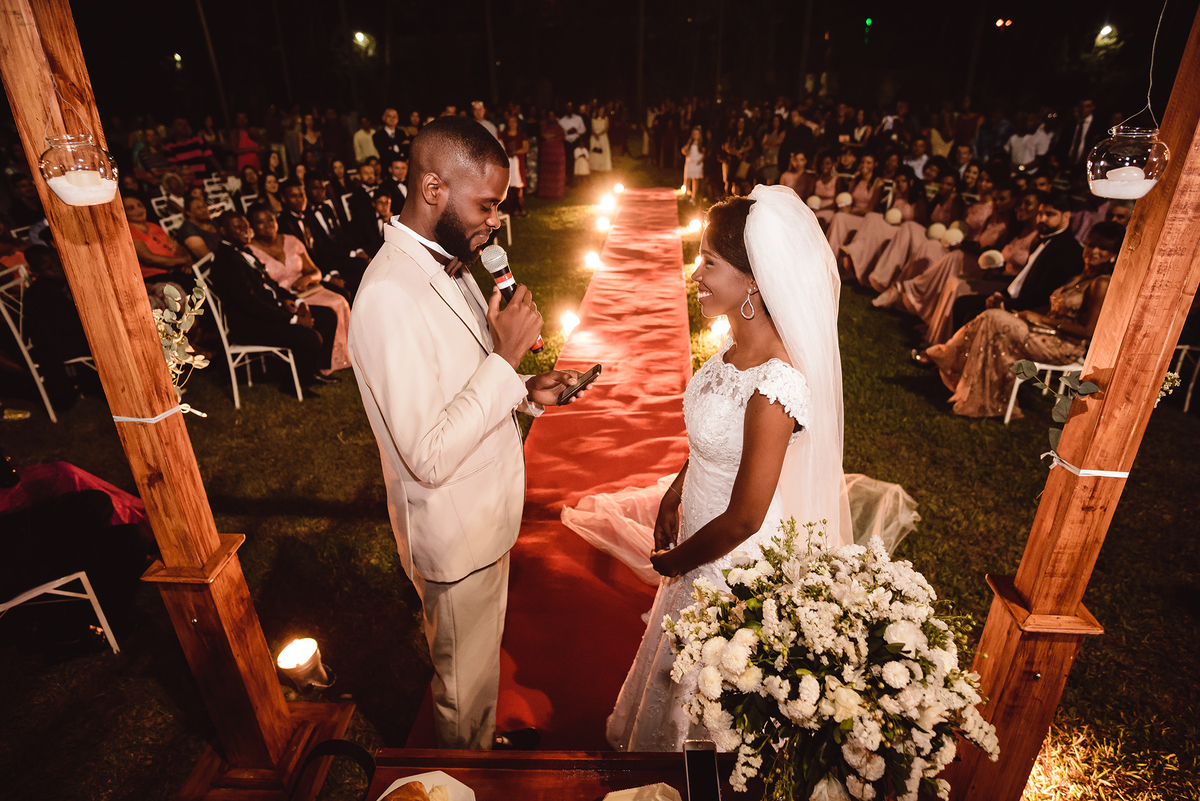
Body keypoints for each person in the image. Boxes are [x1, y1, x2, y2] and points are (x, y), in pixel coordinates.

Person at [561, 188, 915, 752]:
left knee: (713, 694)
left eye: (710, 262)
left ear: (753, 279)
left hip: (730, 559)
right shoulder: (729, 350)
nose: (695, 273)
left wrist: (677, 563)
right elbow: (711, 442)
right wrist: (675, 492)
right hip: (699, 525)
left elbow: (747, 516)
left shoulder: (776, 384)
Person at [348, 116, 590, 751]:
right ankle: (463, 774)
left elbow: (464, 388)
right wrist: (505, 360)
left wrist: (525, 388)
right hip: (453, 533)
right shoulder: (389, 294)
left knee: (480, 677)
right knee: (461, 689)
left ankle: (481, 748)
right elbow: (427, 452)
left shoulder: (449, 264)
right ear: (433, 190)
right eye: (486, 204)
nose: (495, 221)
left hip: (484, 512)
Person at [924, 222, 1122, 418]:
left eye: (1103, 248)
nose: (1094, 251)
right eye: (1091, 245)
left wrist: (1042, 321)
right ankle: (972, 385)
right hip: (1045, 333)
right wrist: (1028, 315)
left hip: (1064, 345)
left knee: (994, 319)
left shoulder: (1101, 283)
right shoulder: (1080, 277)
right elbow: (1055, 308)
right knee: (993, 319)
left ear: (1113, 254)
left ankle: (951, 359)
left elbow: (1089, 331)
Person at [208, 211, 337, 387]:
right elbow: (250, 304)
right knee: (310, 337)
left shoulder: (242, 250)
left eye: (246, 225)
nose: (246, 230)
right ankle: (296, 383)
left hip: (269, 308)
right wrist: (293, 319)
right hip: (249, 324)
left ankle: (314, 370)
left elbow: (269, 283)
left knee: (327, 316)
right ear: (223, 231)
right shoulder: (227, 261)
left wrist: (295, 302)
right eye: (238, 227)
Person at [247, 204, 350, 374]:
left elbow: (316, 271)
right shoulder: (250, 251)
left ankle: (333, 358)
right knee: (327, 312)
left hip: (306, 290)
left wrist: (306, 278)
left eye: (270, 219)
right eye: (260, 222)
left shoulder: (291, 240)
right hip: (284, 298)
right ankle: (316, 364)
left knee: (340, 301)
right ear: (251, 227)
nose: (268, 225)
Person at [500, 115, 529, 216]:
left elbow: (525, 148)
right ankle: (507, 208)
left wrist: (514, 151)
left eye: (514, 121)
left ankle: (519, 208)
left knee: (517, 185)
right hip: (506, 162)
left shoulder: (521, 135)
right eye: (510, 121)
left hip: (517, 162)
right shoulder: (503, 134)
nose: (512, 124)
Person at [538, 111, 566, 200]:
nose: (551, 117)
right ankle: (545, 194)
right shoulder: (544, 127)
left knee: (556, 173)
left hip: (557, 154)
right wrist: (554, 136)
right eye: (549, 115)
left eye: (552, 115)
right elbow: (543, 136)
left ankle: (556, 194)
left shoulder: (559, 127)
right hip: (547, 155)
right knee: (547, 173)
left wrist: (549, 137)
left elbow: (561, 137)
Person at [682, 126, 705, 204]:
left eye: (697, 134)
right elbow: (685, 150)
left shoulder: (701, 144)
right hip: (690, 162)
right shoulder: (690, 142)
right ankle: (685, 194)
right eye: (694, 134)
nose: (695, 135)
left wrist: (700, 160)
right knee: (688, 178)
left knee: (695, 179)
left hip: (697, 162)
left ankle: (693, 196)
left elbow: (703, 153)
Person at [589, 105, 612, 173]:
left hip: (602, 136)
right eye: (600, 110)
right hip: (594, 137)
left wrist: (600, 134)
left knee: (602, 152)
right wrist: (595, 134)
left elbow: (606, 128)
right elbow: (592, 128)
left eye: (602, 110)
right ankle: (594, 166)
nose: (601, 112)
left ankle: (603, 167)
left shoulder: (605, 118)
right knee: (595, 152)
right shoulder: (593, 119)